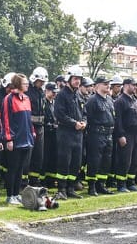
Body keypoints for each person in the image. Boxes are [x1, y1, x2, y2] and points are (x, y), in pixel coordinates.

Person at [53, 66, 87, 200]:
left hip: (78, 135)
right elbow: (60, 114)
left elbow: (84, 113)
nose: (77, 81)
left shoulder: (78, 95)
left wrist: (84, 122)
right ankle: (61, 189)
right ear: (69, 79)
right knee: (64, 161)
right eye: (75, 79)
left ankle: (70, 188)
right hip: (65, 133)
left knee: (76, 162)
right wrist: (74, 123)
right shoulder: (62, 95)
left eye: (79, 79)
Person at [2, 74, 35, 205]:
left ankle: (16, 193)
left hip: (26, 138)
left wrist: (32, 132)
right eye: (24, 83)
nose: (27, 85)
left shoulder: (26, 98)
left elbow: (29, 118)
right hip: (15, 140)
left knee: (21, 168)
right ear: (18, 84)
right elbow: (6, 119)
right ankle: (10, 195)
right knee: (13, 168)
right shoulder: (8, 99)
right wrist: (9, 138)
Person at [84, 77, 116, 196]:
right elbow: (88, 117)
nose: (108, 86)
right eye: (105, 84)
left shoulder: (109, 100)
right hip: (96, 134)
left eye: (108, 84)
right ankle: (91, 186)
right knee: (94, 160)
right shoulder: (92, 100)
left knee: (106, 161)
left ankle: (101, 185)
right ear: (97, 86)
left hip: (108, 134)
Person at [113, 78, 137, 192]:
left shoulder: (134, 100)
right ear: (126, 85)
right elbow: (118, 119)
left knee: (135, 160)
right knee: (125, 160)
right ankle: (121, 184)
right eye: (133, 85)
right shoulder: (120, 101)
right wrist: (120, 135)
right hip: (126, 134)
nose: (135, 87)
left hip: (136, 135)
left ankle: (131, 182)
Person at [27, 67, 48, 186]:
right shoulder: (28, 92)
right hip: (30, 126)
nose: (41, 83)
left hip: (40, 126)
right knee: (28, 155)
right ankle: (24, 181)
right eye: (40, 81)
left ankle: (35, 180)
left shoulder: (41, 92)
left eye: (43, 82)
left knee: (38, 155)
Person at [42, 82, 58, 188]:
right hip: (45, 133)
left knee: (53, 158)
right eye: (53, 92)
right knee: (45, 157)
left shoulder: (54, 103)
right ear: (46, 91)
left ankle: (51, 180)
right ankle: (43, 180)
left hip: (54, 134)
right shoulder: (43, 102)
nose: (54, 94)